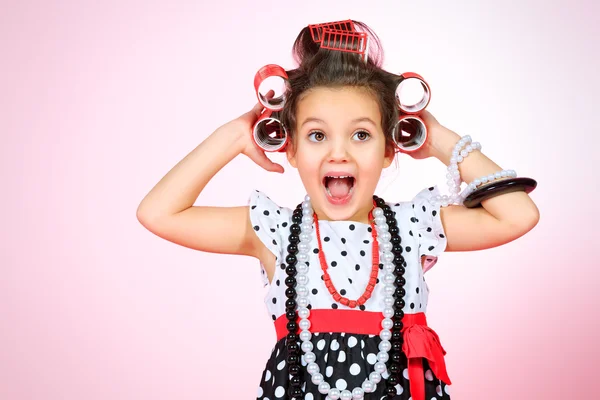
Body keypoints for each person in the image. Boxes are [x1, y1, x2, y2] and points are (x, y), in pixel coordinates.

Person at [136, 20, 540, 400]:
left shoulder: (413, 225)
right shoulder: (273, 230)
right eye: (316, 135)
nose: (339, 153)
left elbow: (518, 214)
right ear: (290, 147)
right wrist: (234, 135)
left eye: (361, 134)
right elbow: (158, 212)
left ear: (388, 149)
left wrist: (435, 138)